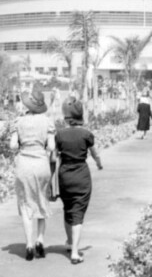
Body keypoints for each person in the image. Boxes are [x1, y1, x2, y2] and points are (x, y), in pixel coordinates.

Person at [9, 87, 55, 261]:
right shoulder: (47, 121)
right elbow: (51, 147)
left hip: (24, 165)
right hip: (42, 165)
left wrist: (21, 142)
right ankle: (40, 240)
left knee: (26, 204)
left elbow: (13, 146)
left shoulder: (18, 122)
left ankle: (28, 244)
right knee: (41, 201)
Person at [55, 96, 102, 264]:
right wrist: (99, 163)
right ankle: (75, 252)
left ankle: (69, 242)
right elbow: (94, 153)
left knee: (68, 209)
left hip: (65, 176)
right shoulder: (86, 134)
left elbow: (53, 156)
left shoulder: (59, 135)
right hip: (81, 176)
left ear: (66, 117)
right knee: (78, 212)